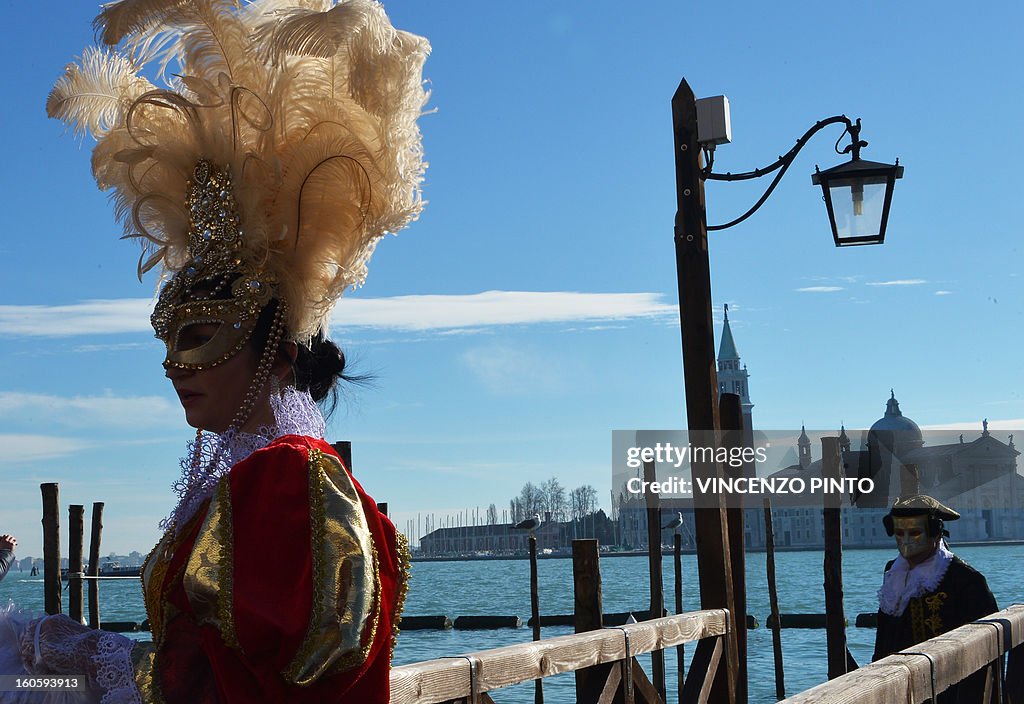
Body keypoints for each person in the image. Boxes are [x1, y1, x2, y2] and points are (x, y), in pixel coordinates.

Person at [0, 1, 428, 701]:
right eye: (168, 340)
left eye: (199, 336)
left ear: (279, 355)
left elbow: (242, 689)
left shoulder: (283, 484)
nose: (173, 365)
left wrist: (68, 660)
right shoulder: (271, 476)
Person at [873, 495, 997, 702]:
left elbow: (986, 646)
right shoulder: (893, 573)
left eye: (914, 533)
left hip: (952, 688)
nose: (905, 541)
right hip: (898, 686)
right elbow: (885, 633)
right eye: (899, 533)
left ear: (935, 534)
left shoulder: (965, 579)